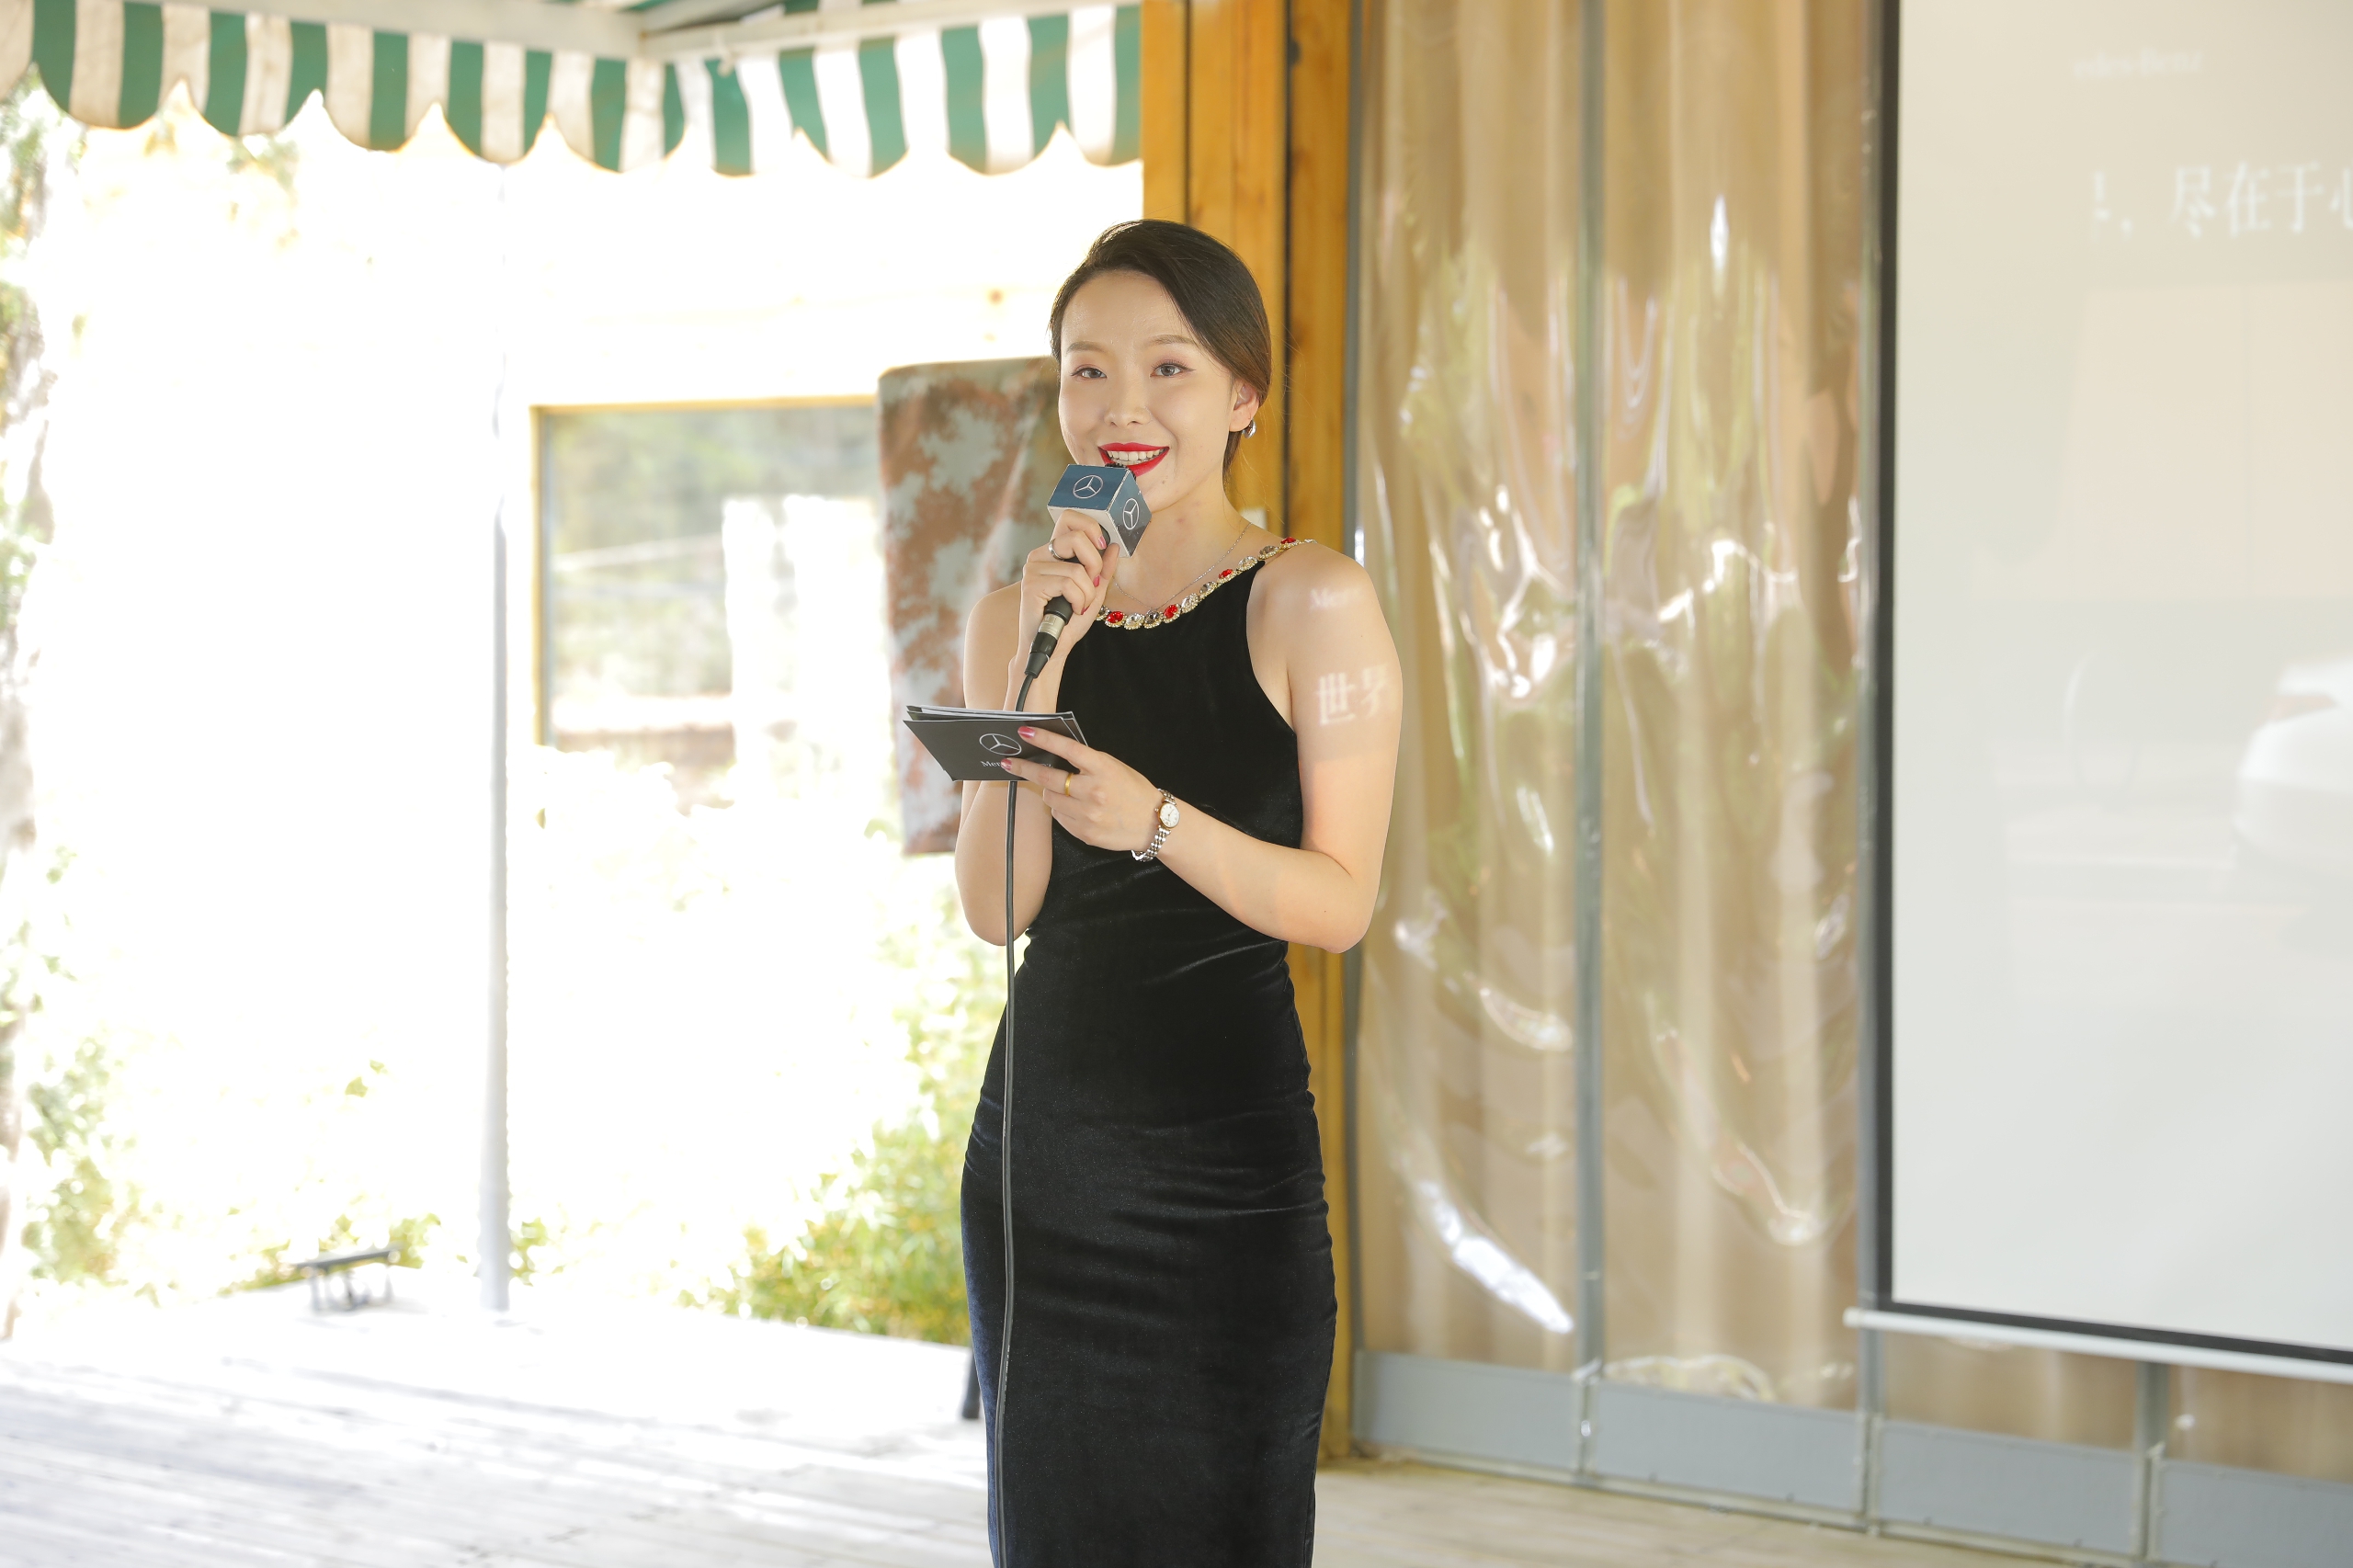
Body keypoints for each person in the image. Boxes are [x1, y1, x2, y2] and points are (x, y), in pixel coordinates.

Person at [954, 219, 1403, 1566]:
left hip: (1225, 1171)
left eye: (1169, 368)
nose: (1123, 407)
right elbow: (997, 908)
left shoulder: (1312, 601)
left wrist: (1154, 821)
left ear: (1242, 396)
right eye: (1088, 371)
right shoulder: (1015, 617)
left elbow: (1340, 903)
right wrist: (1039, 672)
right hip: (1045, 1165)